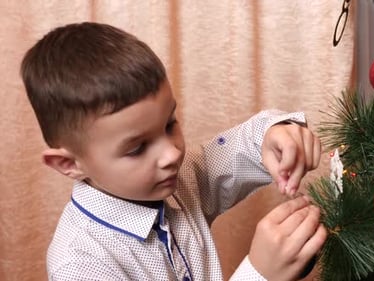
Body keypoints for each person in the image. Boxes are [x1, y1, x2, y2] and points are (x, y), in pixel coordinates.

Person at [20, 22, 327, 281]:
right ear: (68, 163)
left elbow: (235, 148)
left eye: (170, 124)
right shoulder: (80, 265)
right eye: (138, 148)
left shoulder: (177, 181)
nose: (171, 154)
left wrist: (276, 134)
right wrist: (259, 273)